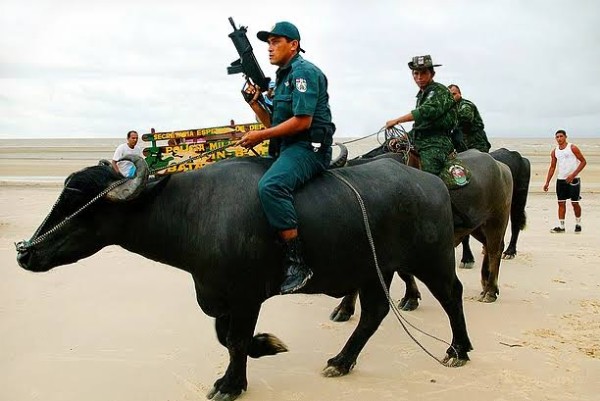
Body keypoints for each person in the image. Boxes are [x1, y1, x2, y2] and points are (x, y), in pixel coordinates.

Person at [238, 21, 335, 294]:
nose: (270, 48)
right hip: (286, 147)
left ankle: (297, 261)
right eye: (268, 43)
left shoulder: (304, 73)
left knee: (271, 186)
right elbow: (273, 121)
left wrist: (259, 136)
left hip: (308, 148)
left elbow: (303, 121)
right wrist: (255, 103)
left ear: (293, 45)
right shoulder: (282, 77)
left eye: (276, 42)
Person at [385, 55, 457, 175]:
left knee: (428, 176)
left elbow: (426, 112)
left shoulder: (439, 91)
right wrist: (402, 138)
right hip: (419, 141)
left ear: (432, 74)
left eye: (423, 73)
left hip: (436, 143)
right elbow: (420, 126)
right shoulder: (422, 95)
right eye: (416, 73)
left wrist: (397, 121)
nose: (419, 77)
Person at [543, 129, 587, 233]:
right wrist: (547, 182)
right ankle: (562, 227)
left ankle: (578, 224)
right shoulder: (555, 151)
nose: (559, 139)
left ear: (565, 137)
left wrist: (573, 175)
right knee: (561, 203)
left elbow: (583, 162)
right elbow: (552, 167)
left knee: (575, 203)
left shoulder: (572, 148)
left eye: (561, 136)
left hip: (574, 180)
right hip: (561, 180)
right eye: (557, 137)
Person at [448, 84, 491, 153]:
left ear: (460, 93)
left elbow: (465, 119)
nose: (452, 97)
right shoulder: (451, 108)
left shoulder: (465, 105)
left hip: (476, 145)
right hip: (463, 146)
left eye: (454, 94)